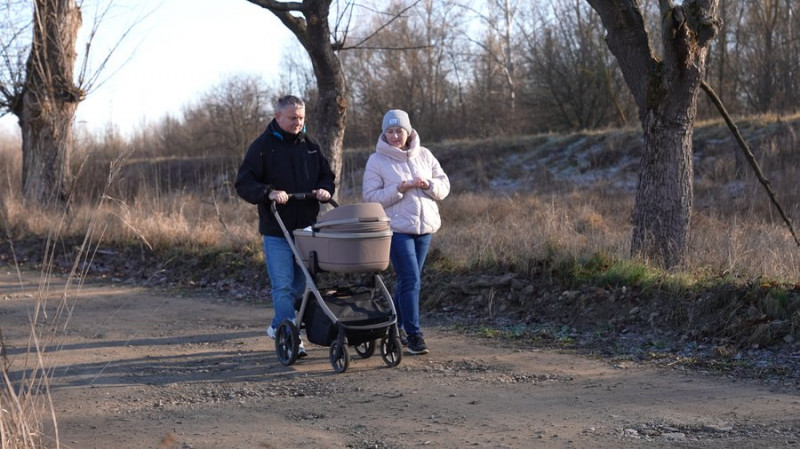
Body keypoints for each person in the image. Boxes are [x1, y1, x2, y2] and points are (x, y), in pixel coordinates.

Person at [235, 95, 335, 358]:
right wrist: (268, 192)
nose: (298, 122)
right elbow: (244, 183)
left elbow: (327, 175)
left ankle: (278, 325)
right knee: (282, 286)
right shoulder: (262, 147)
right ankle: (291, 337)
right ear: (278, 116)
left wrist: (325, 189)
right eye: (292, 118)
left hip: (306, 231)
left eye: (301, 118)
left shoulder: (311, 146)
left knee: (302, 286)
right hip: (277, 230)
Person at [362, 109, 450, 355]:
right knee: (411, 279)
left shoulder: (425, 154)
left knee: (407, 280)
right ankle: (414, 335)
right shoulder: (376, 160)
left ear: (408, 131)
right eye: (389, 131)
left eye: (398, 131)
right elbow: (370, 197)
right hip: (396, 229)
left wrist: (428, 184)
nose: (394, 136)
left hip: (425, 229)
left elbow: (444, 186)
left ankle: (394, 327)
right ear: (384, 133)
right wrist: (398, 189)